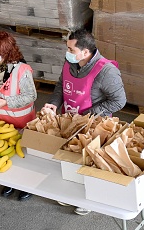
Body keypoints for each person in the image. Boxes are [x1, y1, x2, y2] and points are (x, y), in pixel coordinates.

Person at [45, 28, 126, 216]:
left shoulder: (106, 71)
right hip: (70, 119)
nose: (67, 53)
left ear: (86, 52)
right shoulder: (70, 62)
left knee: (90, 161)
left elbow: (119, 100)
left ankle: (90, 199)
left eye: (71, 50)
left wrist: (89, 114)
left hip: (95, 125)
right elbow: (61, 85)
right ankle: (70, 194)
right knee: (70, 157)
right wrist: (53, 104)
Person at [0, 31, 37, 200]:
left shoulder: (22, 71)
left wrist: (4, 101)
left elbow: (30, 96)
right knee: (4, 152)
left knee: (23, 155)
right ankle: (9, 183)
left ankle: (27, 185)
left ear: (6, 52)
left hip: (20, 122)